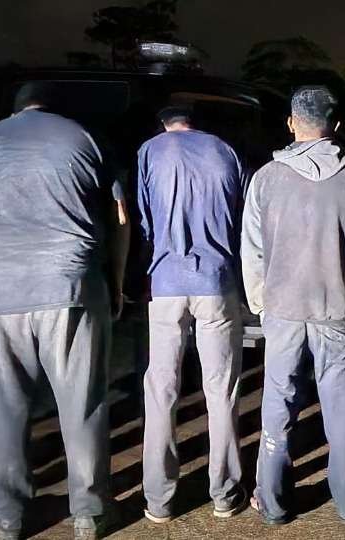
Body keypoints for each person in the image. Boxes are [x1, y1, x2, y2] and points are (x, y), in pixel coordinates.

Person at [0, 83, 128, 540]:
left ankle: (7, 517)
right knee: (82, 404)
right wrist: (116, 282)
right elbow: (120, 216)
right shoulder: (85, 138)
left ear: (16, 110)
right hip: (70, 284)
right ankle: (89, 512)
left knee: (1, 410)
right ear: (55, 109)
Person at [241, 86, 345, 526]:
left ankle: (273, 502)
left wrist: (261, 303)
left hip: (283, 309)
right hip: (340, 309)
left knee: (277, 407)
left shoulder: (266, 178)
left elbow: (252, 250)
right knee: (344, 413)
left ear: (290, 123)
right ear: (336, 126)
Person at [136, 106, 247, 523]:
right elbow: (242, 222)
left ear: (164, 124)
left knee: (161, 390)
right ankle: (225, 494)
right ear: (196, 124)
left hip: (166, 281)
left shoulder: (150, 151)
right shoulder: (225, 150)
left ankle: (159, 499)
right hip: (217, 280)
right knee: (221, 389)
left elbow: (143, 222)